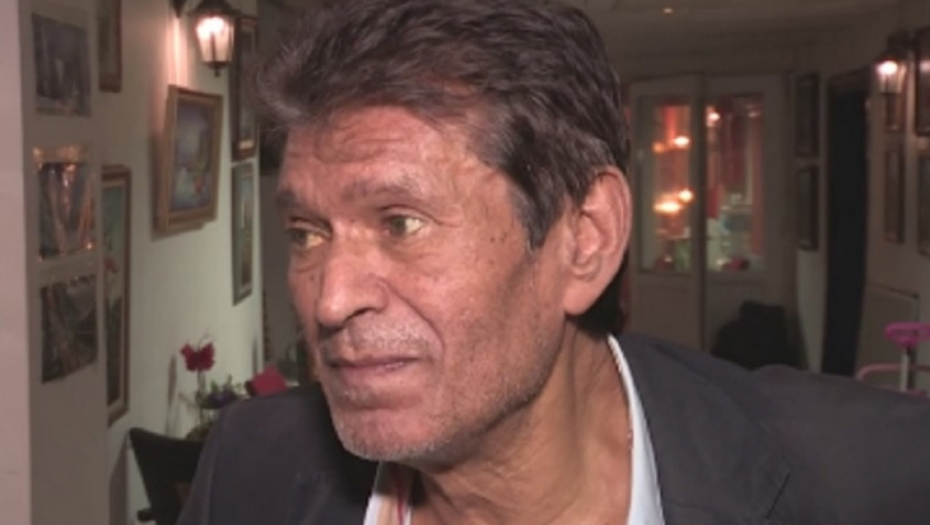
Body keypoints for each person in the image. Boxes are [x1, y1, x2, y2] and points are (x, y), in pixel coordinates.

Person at [178, 1, 930, 524]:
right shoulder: (248, 469)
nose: (331, 299)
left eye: (401, 222)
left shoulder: (872, 477)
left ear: (585, 238)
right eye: (307, 232)